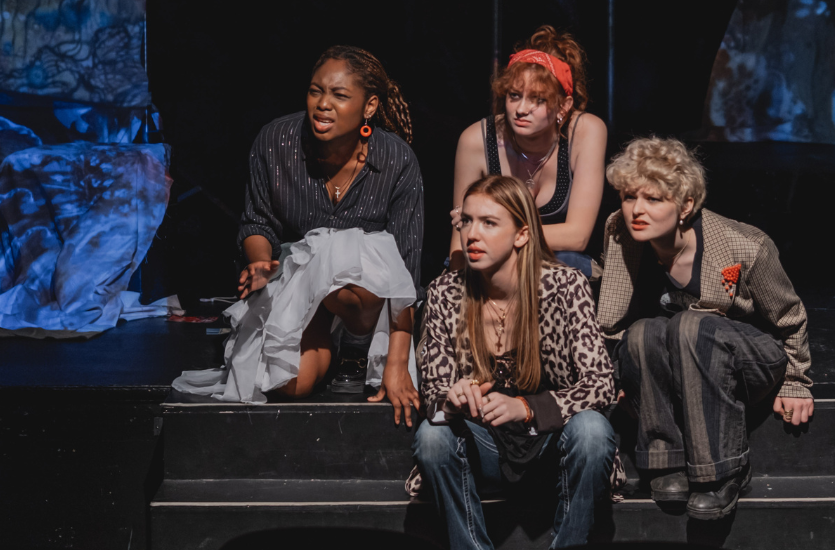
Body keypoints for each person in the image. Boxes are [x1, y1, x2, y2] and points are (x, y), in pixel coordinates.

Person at [170, 46, 422, 426]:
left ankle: (355, 347)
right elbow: (258, 223)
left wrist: (398, 364)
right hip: (298, 279)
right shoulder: (276, 142)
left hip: (362, 295)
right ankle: (328, 350)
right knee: (291, 384)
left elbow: (406, 268)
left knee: (344, 258)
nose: (323, 104)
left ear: (369, 107)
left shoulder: (396, 160)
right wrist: (258, 261)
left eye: (339, 95)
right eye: (315, 91)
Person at [592, 137, 815, 519]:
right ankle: (666, 462)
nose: (636, 210)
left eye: (654, 199)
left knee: (691, 325)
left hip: (747, 361)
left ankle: (724, 470)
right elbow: (611, 318)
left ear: (686, 206)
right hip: (675, 361)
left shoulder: (743, 245)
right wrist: (611, 378)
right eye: (629, 197)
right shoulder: (620, 232)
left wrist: (796, 380)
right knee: (644, 331)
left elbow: (789, 319)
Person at [412, 175, 619, 549]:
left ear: (521, 234)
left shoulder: (565, 286)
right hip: (485, 447)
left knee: (592, 431)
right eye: (467, 222)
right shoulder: (444, 291)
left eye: (489, 223)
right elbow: (433, 391)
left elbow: (601, 384)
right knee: (432, 436)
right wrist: (453, 397)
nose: (472, 234)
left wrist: (525, 407)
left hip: (551, 447)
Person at [449, 26, 608, 278]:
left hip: (558, 266)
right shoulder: (476, 140)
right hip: (492, 268)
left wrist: (495, 233)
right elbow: (460, 238)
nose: (521, 109)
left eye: (538, 99)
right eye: (514, 95)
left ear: (563, 107)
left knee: (569, 263)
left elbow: (578, 236)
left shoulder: (586, 132)